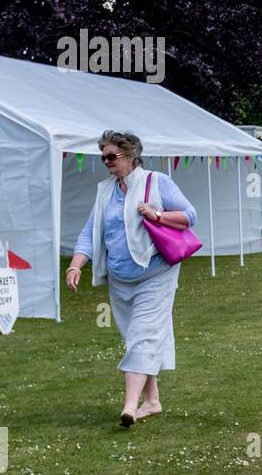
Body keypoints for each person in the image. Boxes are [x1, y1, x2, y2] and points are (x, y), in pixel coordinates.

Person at [66, 131, 198, 427]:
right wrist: (74, 267)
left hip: (156, 272)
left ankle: (129, 407)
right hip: (120, 279)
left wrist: (157, 216)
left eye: (111, 156)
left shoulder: (157, 181)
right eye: (103, 157)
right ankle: (152, 401)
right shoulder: (105, 191)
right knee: (136, 339)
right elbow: (89, 233)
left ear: (130, 156)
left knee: (142, 336)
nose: (106, 162)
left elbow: (191, 215)